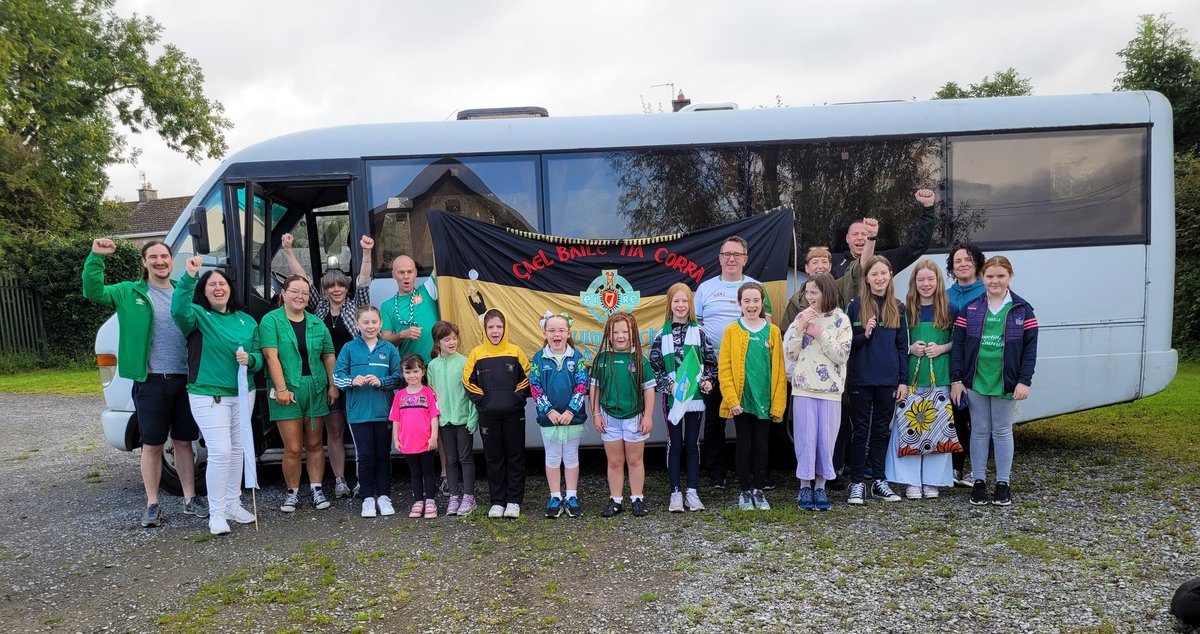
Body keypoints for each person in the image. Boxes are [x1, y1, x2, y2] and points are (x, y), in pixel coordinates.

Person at [83, 238, 206, 527]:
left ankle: (190, 499)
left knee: (184, 443)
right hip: (150, 381)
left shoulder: (183, 291)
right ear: (144, 262)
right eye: (154, 257)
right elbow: (93, 291)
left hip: (184, 380)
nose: (160, 261)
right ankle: (153, 503)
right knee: (151, 444)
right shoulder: (129, 292)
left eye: (164, 256)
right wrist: (96, 258)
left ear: (171, 260)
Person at [281, 233, 377, 500]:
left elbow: (365, 281)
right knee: (333, 430)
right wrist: (289, 251)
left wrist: (366, 253)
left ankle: (362, 479)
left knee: (357, 429)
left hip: (355, 375)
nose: (336, 289)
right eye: (331, 286)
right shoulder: (318, 308)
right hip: (328, 378)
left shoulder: (356, 306)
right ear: (325, 289)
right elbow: (302, 281)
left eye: (341, 285)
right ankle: (339, 480)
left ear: (346, 288)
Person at [171, 257, 262, 536]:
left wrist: (252, 360)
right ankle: (217, 513)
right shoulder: (197, 315)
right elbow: (178, 309)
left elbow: (259, 355)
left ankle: (233, 504)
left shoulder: (247, 320)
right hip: (209, 394)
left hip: (242, 393)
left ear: (230, 289)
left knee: (237, 450)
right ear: (204, 290)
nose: (218, 288)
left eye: (222, 283)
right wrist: (189, 276)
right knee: (221, 451)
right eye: (212, 284)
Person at [951, 255, 1038, 507]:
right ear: (982, 278)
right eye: (990, 276)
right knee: (978, 431)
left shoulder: (1022, 309)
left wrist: (1024, 381)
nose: (995, 281)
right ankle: (978, 482)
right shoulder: (972, 308)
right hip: (976, 380)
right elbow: (958, 346)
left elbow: (1030, 350)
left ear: (1009, 277)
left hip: (1006, 382)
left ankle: (1002, 483)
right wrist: (957, 379)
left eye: (1000, 276)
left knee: (1001, 431)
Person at [694, 236, 771, 490]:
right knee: (715, 421)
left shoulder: (757, 287)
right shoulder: (705, 288)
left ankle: (755, 474)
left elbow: (767, 327)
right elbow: (698, 327)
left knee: (750, 421)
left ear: (745, 259)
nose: (731, 259)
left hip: (748, 368)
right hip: (714, 366)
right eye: (726, 254)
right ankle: (717, 473)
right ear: (719, 259)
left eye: (737, 255)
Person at [259, 275, 337, 513]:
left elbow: (328, 355)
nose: (300, 297)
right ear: (283, 293)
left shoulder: (316, 323)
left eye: (304, 293)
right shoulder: (270, 321)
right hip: (287, 389)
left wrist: (333, 385)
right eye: (295, 291)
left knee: (314, 444)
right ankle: (292, 492)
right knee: (293, 447)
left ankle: (316, 488)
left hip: (315, 387)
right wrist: (281, 389)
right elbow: (271, 356)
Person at [885, 260, 957, 499]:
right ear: (914, 283)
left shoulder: (950, 309)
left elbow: (961, 342)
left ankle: (933, 481)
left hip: (940, 377)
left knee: (937, 428)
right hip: (913, 379)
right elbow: (896, 342)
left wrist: (942, 348)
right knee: (909, 428)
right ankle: (910, 481)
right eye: (921, 280)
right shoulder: (905, 311)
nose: (926, 284)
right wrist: (910, 348)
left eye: (930, 280)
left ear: (938, 282)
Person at [783, 273, 851, 511]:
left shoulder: (841, 320)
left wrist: (819, 333)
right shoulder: (801, 317)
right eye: (807, 293)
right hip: (803, 388)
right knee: (805, 438)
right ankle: (804, 486)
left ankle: (820, 487)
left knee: (825, 440)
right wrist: (801, 327)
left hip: (830, 391)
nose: (810, 297)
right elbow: (789, 354)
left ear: (827, 292)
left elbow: (841, 355)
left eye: (814, 293)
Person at [845, 256, 908, 505]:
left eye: (884, 273)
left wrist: (902, 381)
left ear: (890, 275)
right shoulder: (855, 306)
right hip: (861, 379)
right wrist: (865, 334)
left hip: (888, 380)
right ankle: (857, 482)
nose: (879, 278)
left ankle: (879, 481)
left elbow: (902, 347)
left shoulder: (898, 307)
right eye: (874, 274)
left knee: (881, 431)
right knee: (860, 431)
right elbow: (847, 344)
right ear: (867, 278)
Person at [718, 282, 787, 511]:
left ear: (762, 303)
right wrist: (731, 400)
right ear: (740, 304)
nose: (752, 305)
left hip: (764, 399)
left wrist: (777, 403)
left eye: (756, 300)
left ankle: (759, 490)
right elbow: (725, 369)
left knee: (762, 445)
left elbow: (778, 370)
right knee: (744, 445)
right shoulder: (732, 331)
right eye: (746, 301)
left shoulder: (773, 331)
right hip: (742, 401)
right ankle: (745, 491)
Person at [649, 283, 717, 513]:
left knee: (692, 444)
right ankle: (675, 492)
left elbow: (710, 364)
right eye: (676, 301)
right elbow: (654, 368)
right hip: (673, 398)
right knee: (675, 444)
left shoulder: (699, 332)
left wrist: (708, 380)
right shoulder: (661, 335)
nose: (680, 305)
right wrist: (668, 386)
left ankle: (693, 491)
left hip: (695, 397)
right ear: (670, 304)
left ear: (691, 304)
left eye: (685, 301)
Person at [333, 306, 401, 518]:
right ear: (357, 325)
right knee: (364, 456)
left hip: (384, 412)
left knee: (383, 454)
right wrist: (351, 380)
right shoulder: (349, 348)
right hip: (358, 413)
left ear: (381, 323)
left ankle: (384, 496)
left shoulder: (389, 349)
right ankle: (367, 498)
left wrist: (382, 382)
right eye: (365, 322)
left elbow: (399, 377)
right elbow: (337, 377)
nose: (370, 326)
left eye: (374, 322)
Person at [462, 309, 530, 519]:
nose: (495, 331)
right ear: (485, 329)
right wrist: (485, 402)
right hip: (488, 415)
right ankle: (498, 501)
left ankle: (513, 501)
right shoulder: (476, 354)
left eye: (499, 327)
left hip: (513, 414)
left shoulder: (516, 352)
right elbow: (467, 381)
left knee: (515, 456)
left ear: (505, 328)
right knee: (493, 458)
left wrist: (514, 399)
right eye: (491, 327)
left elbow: (527, 378)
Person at [591, 312, 656, 518]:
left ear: (633, 333)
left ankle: (637, 499)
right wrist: (596, 414)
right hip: (609, 417)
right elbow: (595, 388)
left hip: (634, 417)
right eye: (615, 331)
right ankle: (616, 500)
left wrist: (647, 416)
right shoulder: (602, 359)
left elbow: (649, 389)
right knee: (615, 461)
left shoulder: (640, 359)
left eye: (625, 331)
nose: (620, 336)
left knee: (635, 460)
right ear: (608, 335)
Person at [529, 312, 589, 519]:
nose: (557, 334)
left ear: (568, 333)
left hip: (573, 419)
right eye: (552, 330)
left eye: (561, 330)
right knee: (553, 457)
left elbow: (582, 385)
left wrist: (571, 410)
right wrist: (550, 410)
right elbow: (535, 386)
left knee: (571, 456)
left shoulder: (577, 357)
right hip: (550, 420)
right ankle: (555, 496)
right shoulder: (538, 358)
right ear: (545, 333)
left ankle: (571, 496)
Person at [945, 242, 986, 487]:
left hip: (979, 365)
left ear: (977, 265)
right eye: (958, 261)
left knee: (979, 420)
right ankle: (957, 468)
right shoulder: (946, 294)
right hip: (952, 365)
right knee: (958, 416)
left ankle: (978, 470)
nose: (962, 265)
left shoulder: (986, 292)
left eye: (968, 260)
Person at [427, 321, 479, 516]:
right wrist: (435, 421)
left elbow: (473, 392)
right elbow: (432, 395)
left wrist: (473, 419)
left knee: (465, 458)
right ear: (437, 343)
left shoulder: (464, 362)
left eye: (454, 339)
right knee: (450, 459)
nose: (451, 342)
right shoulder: (432, 366)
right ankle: (454, 496)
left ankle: (468, 496)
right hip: (444, 421)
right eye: (446, 339)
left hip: (464, 419)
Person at [830, 188, 937, 280]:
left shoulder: (886, 259)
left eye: (864, 234)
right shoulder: (833, 260)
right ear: (847, 238)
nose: (859, 238)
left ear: (872, 236)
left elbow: (919, 244)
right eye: (855, 234)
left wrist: (928, 209)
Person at [390, 354, 441, 518]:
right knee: (415, 473)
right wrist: (396, 439)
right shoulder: (399, 395)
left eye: (416, 371)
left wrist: (434, 437)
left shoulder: (428, 393)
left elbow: (434, 416)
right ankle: (418, 500)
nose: (412, 375)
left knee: (428, 472)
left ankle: (431, 501)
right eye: (408, 372)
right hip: (408, 442)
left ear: (423, 371)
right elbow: (395, 419)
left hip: (426, 442)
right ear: (403, 373)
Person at [380, 255, 439, 362]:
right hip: (411, 369)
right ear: (393, 275)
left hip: (436, 363)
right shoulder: (387, 306)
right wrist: (402, 335)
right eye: (401, 272)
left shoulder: (428, 290)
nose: (406, 276)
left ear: (415, 273)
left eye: (410, 272)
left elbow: (441, 261)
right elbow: (385, 342)